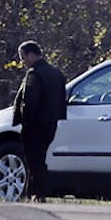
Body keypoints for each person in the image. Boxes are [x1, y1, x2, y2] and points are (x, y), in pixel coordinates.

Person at [12, 40, 68, 203]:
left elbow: (29, 101)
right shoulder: (56, 73)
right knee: (40, 158)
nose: (23, 62)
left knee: (34, 160)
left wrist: (25, 122)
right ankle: (36, 192)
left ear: (31, 55)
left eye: (23, 57)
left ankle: (36, 193)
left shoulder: (34, 74)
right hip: (51, 124)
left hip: (34, 125)